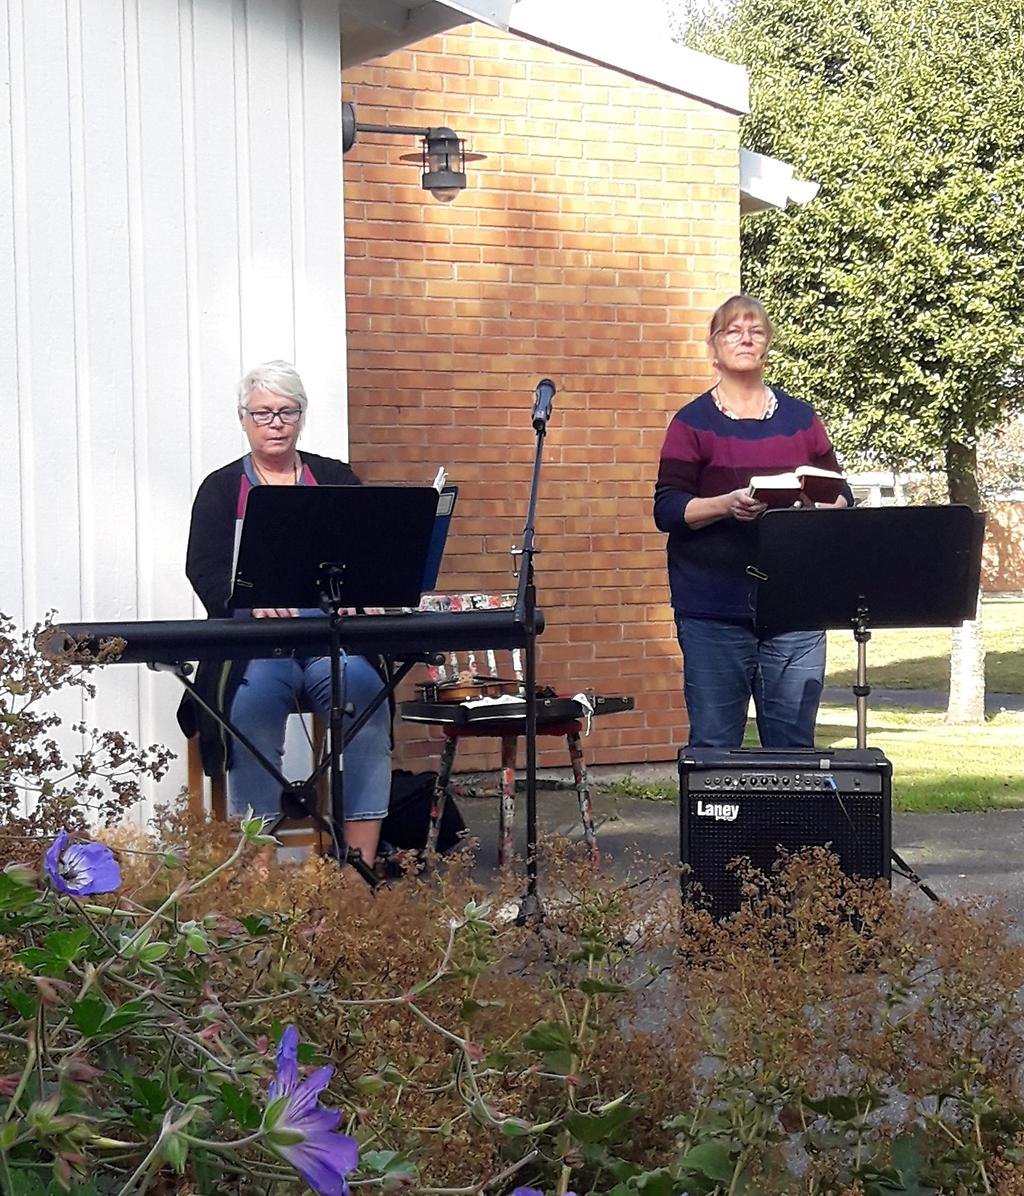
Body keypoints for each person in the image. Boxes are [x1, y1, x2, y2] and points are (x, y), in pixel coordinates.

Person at [181, 360, 391, 865]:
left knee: (364, 696)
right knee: (251, 709)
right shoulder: (220, 488)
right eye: (262, 413)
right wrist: (243, 600)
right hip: (257, 647)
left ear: (301, 417)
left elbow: (371, 555)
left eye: (285, 411)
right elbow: (203, 569)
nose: (274, 422)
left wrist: (366, 589)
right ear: (243, 419)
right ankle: (260, 876)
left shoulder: (336, 478)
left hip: (328, 641)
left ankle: (357, 872)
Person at [654, 295, 853, 749]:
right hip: (713, 611)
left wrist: (825, 508)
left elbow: (841, 493)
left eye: (756, 331)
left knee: (793, 748)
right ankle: (720, 825)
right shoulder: (691, 424)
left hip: (796, 610)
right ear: (713, 348)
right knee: (714, 748)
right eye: (732, 331)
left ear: (767, 345)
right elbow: (667, 510)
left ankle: (784, 825)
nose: (745, 338)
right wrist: (727, 504)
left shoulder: (802, 420)